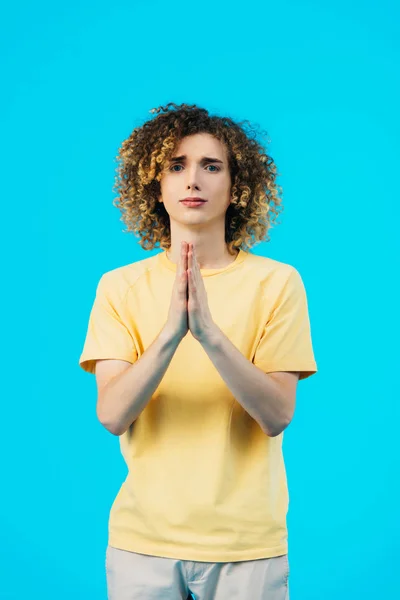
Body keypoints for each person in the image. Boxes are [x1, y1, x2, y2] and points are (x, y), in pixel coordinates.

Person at [78, 102, 318, 599]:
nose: (193, 180)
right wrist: (171, 333)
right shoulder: (119, 288)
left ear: (237, 187)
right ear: (156, 185)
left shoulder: (277, 283)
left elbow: (277, 415)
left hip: (246, 546)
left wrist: (208, 332)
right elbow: (113, 414)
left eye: (212, 166)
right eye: (176, 166)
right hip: (142, 545)